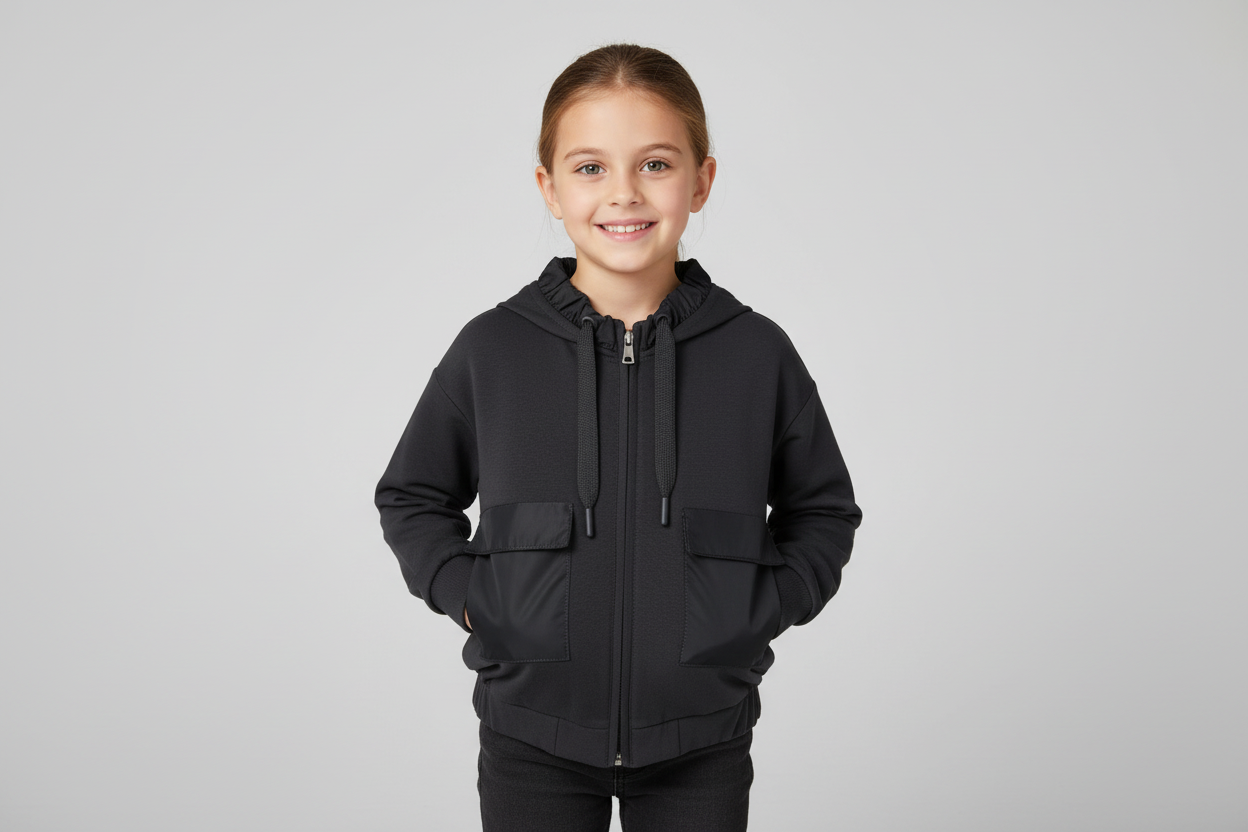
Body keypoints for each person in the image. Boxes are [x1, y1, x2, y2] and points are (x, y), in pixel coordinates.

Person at [374, 42, 863, 832]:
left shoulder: (756, 352)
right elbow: (412, 495)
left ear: (701, 181)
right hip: (531, 737)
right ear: (550, 187)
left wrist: (760, 609)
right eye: (591, 167)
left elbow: (824, 510)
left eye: (656, 164)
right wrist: (476, 603)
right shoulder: (493, 349)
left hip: (702, 741)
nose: (624, 193)